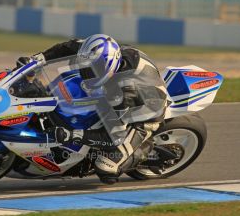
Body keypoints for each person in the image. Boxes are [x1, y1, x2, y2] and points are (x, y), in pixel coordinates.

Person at [16, 34, 167, 184]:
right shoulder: (99, 50)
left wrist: (71, 135)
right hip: (133, 86)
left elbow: (113, 137)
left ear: (106, 67)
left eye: (90, 69)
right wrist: (37, 60)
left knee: (106, 168)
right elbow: (67, 47)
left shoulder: (123, 94)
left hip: (145, 113)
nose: (85, 72)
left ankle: (144, 149)